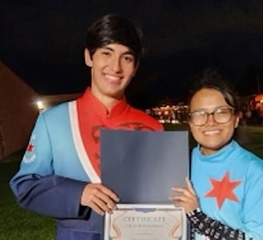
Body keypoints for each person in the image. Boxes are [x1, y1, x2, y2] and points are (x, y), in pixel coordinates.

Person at [10, 14, 163, 240]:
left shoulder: (152, 128)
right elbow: (25, 186)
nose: (116, 67)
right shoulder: (53, 121)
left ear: (136, 66)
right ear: (88, 57)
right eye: (106, 53)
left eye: (127, 58)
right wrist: (78, 193)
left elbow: (162, 199)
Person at [170, 75, 263, 240]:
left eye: (221, 112)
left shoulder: (257, 172)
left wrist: (198, 218)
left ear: (236, 119)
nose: (210, 121)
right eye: (200, 114)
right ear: (190, 122)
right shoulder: (177, 163)